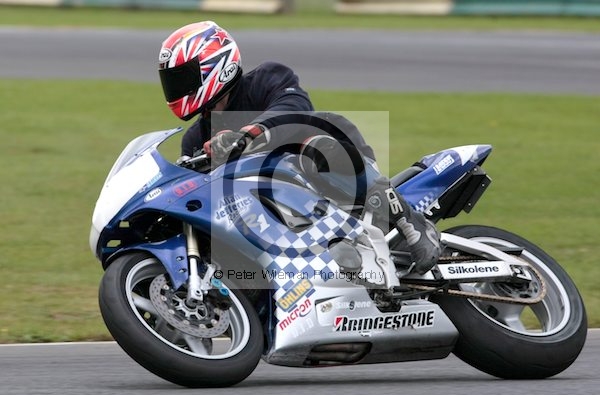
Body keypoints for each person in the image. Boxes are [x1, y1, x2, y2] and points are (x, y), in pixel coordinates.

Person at [157, 21, 440, 274]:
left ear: (218, 65)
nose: (176, 88)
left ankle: (409, 221)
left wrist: (246, 136)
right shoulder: (195, 140)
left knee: (313, 148)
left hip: (335, 165)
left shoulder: (267, 78)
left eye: (183, 78)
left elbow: (294, 107)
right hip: (278, 209)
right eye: (172, 81)